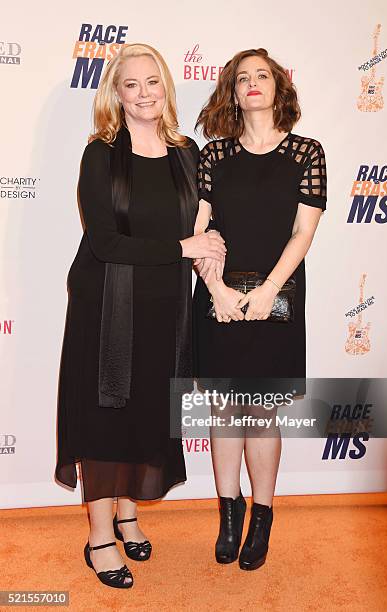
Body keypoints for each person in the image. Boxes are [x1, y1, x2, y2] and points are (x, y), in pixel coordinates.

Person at [55, 43, 226, 589]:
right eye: (132, 84)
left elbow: (203, 229)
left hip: (165, 308)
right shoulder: (101, 153)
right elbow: (104, 241)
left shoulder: (187, 152)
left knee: (146, 410)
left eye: (153, 81)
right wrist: (183, 247)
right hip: (107, 305)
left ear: (166, 87)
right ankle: (100, 535)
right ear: (116, 93)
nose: (145, 92)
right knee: (107, 413)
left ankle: (128, 513)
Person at [192, 48, 327, 570]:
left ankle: (262, 518)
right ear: (232, 90)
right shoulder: (214, 155)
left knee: (262, 411)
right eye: (242, 77)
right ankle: (229, 516)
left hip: (280, 296)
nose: (252, 83)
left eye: (262, 76)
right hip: (219, 295)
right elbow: (200, 232)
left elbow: (304, 230)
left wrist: (270, 288)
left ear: (278, 87)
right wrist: (217, 289)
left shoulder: (306, 152)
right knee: (224, 408)